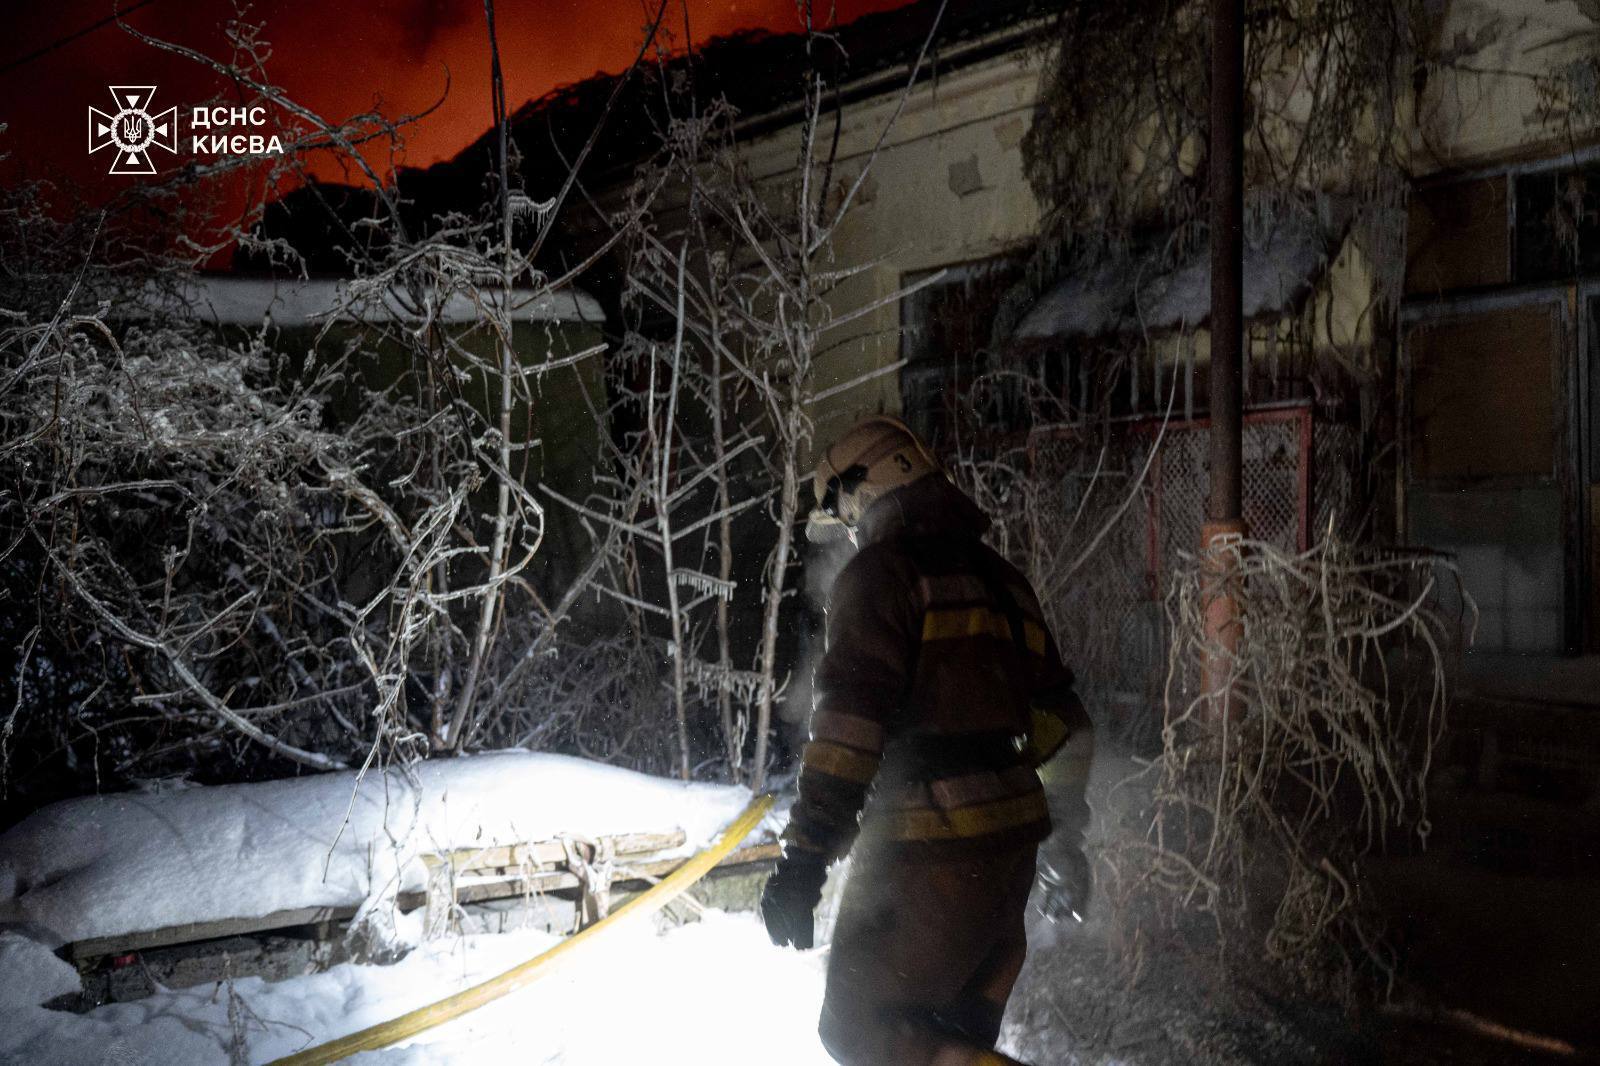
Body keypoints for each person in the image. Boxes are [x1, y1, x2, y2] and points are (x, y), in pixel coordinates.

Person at [761, 415, 1095, 1066]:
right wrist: (1063, 840)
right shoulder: (1005, 583)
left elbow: (847, 734)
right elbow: (1066, 725)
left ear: (867, 490)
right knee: (955, 1041)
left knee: (858, 1033)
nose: (851, 532)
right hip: (1009, 857)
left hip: (927, 854)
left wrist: (804, 862)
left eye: (849, 514)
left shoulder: (883, 575)